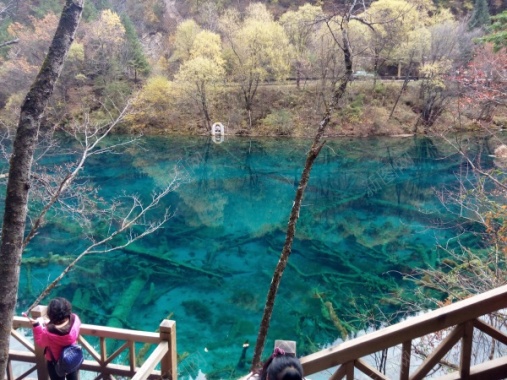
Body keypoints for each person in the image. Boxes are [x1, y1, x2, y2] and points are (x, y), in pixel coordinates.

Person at [26, 297, 82, 380]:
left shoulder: (48, 333)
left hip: (55, 362)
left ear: (50, 314)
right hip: (72, 357)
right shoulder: (75, 320)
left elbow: (40, 343)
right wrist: (49, 323)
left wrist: (36, 326)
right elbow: (63, 326)